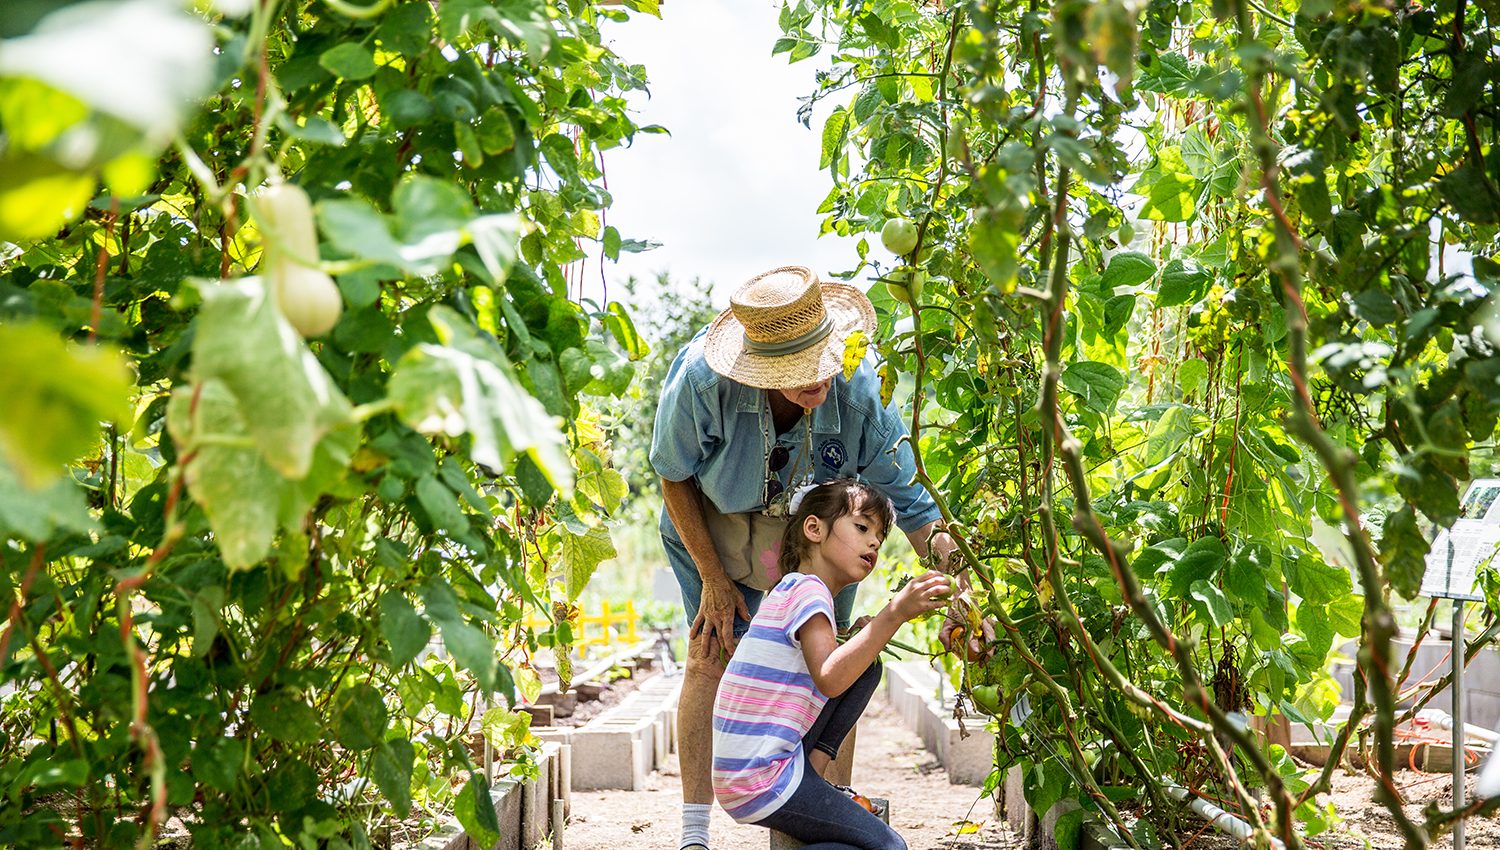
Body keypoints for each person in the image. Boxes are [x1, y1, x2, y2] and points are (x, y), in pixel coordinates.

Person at [649, 265, 959, 850]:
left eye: (821, 361)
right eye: (793, 372)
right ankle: (694, 834)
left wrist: (963, 592)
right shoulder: (701, 381)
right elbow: (672, 475)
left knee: (841, 655)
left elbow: (917, 508)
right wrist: (715, 580)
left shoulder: (862, 393)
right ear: (759, 366)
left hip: (811, 529)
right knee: (710, 651)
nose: (814, 379)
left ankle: (823, 806)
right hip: (712, 520)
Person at [712, 478, 951, 849]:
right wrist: (894, 614)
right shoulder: (809, 590)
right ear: (814, 529)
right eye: (861, 527)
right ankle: (811, 780)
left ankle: (815, 775)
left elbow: (835, 670)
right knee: (890, 846)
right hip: (761, 778)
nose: (873, 542)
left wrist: (861, 639)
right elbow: (829, 678)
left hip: (752, 771)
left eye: (879, 536)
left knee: (868, 665)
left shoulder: (793, 588)